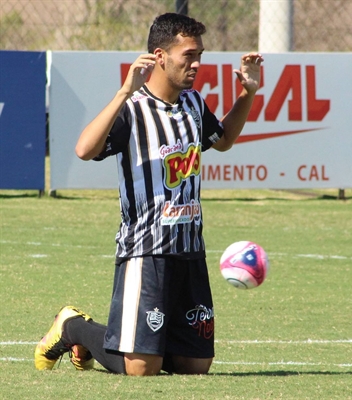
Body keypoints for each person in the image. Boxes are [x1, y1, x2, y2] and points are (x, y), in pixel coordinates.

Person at [34, 12, 263, 376]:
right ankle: (71, 326)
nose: (197, 63)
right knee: (141, 370)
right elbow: (84, 149)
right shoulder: (132, 109)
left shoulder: (192, 103)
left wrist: (247, 93)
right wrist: (123, 92)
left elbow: (224, 140)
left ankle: (144, 346)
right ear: (160, 56)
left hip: (190, 250)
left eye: (200, 54)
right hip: (146, 251)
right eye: (188, 55)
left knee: (196, 367)